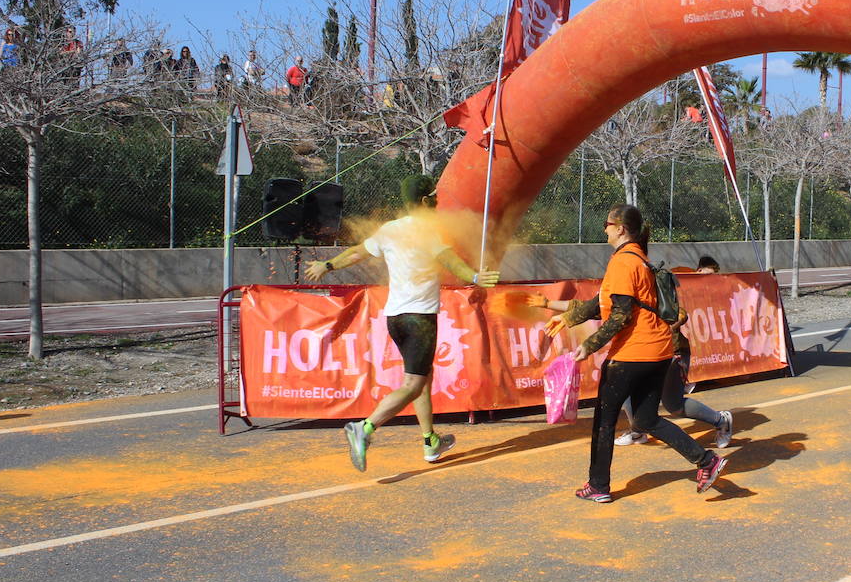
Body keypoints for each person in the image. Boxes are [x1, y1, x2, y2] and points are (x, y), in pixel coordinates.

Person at [305, 175, 500, 471]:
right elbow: (450, 262)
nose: (437, 201)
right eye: (433, 196)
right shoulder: (429, 231)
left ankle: (429, 441)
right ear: (423, 201)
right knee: (412, 384)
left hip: (395, 318)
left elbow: (358, 251)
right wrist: (475, 277)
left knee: (421, 376)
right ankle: (365, 429)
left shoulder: (390, 230)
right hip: (419, 318)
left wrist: (327, 265)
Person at [541, 203, 727, 503]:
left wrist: (588, 346)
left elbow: (621, 314)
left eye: (607, 223)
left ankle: (598, 486)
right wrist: (565, 317)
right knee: (646, 420)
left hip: (632, 354)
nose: (604, 229)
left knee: (604, 420)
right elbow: (603, 303)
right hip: (659, 352)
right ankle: (706, 461)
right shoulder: (641, 260)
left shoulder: (622, 263)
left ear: (620, 229)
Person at [529, 252, 734, 450]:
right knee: (623, 389)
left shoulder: (652, 288)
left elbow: (681, 314)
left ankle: (720, 420)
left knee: (673, 405)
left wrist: (661, 329)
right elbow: (589, 307)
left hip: (670, 353)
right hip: (639, 354)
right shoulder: (619, 290)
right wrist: (548, 304)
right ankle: (638, 430)